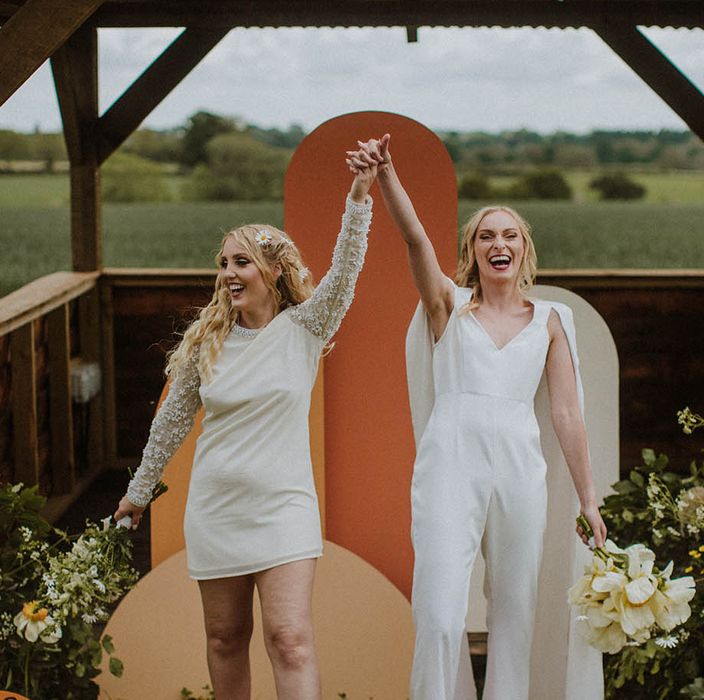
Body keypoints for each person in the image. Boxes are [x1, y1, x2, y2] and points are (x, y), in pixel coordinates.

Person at [347, 135, 608, 700]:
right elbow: (415, 238)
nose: (498, 243)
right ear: (473, 252)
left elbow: (566, 412)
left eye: (508, 234)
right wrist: (387, 173)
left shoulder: (552, 319)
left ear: (523, 249)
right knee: (440, 614)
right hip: (450, 464)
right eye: (485, 235)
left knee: (515, 616)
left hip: (520, 467)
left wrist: (588, 499)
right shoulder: (448, 307)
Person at [114, 158, 377, 699]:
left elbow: (346, 268)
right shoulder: (205, 344)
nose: (230, 273)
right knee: (226, 637)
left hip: (284, 506)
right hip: (217, 508)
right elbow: (169, 425)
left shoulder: (306, 326)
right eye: (225, 263)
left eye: (243, 262)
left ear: (273, 270)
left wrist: (359, 196)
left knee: (291, 639)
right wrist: (138, 492)